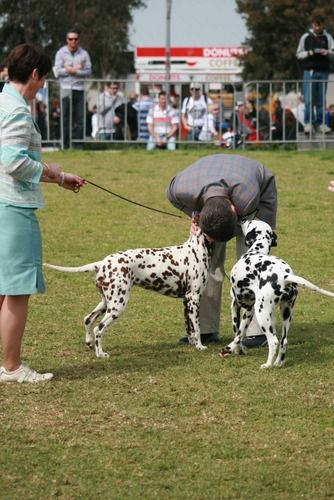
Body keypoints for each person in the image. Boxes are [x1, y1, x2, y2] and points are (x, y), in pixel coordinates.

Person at [0, 44, 85, 383]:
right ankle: (12, 367)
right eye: (43, 79)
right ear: (34, 75)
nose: (42, 86)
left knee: (3, 289)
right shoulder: (18, 111)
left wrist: (59, 178)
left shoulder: (2, 101)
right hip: (13, 208)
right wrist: (50, 173)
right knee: (17, 290)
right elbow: (14, 163)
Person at [167, 154, 277, 347]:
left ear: (234, 210)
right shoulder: (178, 189)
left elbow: (241, 223)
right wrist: (197, 216)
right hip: (210, 190)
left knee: (250, 264)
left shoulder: (247, 198)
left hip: (259, 195)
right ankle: (207, 329)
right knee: (205, 262)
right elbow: (177, 201)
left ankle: (257, 332)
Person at [296, 13, 334, 134]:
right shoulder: (305, 37)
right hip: (310, 72)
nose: (317, 27)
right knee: (308, 99)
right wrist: (309, 53)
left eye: (319, 25)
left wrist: (327, 52)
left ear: (322, 25)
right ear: (312, 24)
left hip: (323, 72)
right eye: (315, 25)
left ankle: (320, 123)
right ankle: (309, 123)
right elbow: (298, 54)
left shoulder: (328, 37)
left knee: (321, 100)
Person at [54, 29, 92, 148]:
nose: (73, 41)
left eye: (75, 39)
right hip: (65, 89)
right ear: (67, 40)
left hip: (79, 89)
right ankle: (65, 145)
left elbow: (89, 71)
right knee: (65, 118)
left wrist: (76, 71)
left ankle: (78, 146)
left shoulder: (84, 54)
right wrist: (69, 70)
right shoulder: (61, 53)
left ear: (78, 40)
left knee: (80, 119)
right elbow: (57, 71)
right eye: (70, 39)